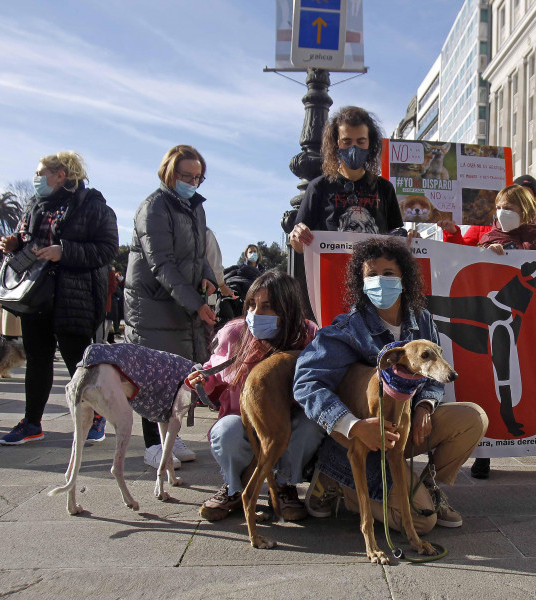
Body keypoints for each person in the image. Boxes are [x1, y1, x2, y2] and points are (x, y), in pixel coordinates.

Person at [293, 237, 488, 533]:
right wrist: (352, 425)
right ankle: (336, 480)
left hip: (403, 429)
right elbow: (306, 383)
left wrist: (425, 405)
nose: (379, 281)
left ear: (404, 279)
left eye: (388, 274)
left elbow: (434, 374)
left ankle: (428, 488)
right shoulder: (348, 329)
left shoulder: (422, 321)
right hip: (361, 442)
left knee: (472, 417)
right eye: (371, 275)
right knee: (423, 522)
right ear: (361, 282)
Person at [0, 151, 118, 445]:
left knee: (78, 361)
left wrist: (64, 251)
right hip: (35, 293)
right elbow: (27, 238)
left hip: (74, 296)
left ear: (61, 175)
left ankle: (97, 415)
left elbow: (106, 250)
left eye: (41, 173)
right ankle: (31, 422)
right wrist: (14, 243)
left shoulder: (94, 206)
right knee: (37, 359)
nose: (36, 179)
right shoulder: (34, 204)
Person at [187, 270, 319, 521]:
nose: (256, 314)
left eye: (267, 307)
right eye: (251, 305)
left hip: (288, 420)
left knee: (311, 425)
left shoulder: (308, 334)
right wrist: (200, 380)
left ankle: (283, 486)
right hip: (242, 419)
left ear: (288, 308)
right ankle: (235, 488)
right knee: (227, 432)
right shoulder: (234, 332)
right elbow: (214, 373)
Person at [464, 184, 536, 479]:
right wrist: (487, 254)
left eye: (510, 208)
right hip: (503, 323)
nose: (503, 213)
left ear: (525, 210)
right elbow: (477, 275)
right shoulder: (488, 238)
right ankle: (485, 452)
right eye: (500, 206)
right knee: (495, 379)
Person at [124, 144, 217, 469]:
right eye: (186, 176)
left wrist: (208, 279)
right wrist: (196, 306)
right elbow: (161, 263)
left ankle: (170, 435)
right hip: (151, 305)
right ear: (170, 172)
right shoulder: (154, 207)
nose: (192, 182)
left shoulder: (195, 208)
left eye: (197, 177)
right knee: (152, 377)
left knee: (178, 376)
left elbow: (197, 255)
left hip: (179, 304)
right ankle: (152, 443)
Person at [289, 106, 405, 254]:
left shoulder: (384, 188)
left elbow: (396, 238)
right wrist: (297, 236)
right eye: (347, 141)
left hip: (374, 275)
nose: (354, 148)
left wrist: (411, 239)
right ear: (336, 143)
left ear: (371, 143)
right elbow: (299, 245)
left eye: (361, 141)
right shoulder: (319, 187)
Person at [438, 175, 536, 247]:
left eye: (527, 197)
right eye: (517, 195)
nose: (522, 201)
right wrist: (452, 233)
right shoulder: (484, 225)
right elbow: (461, 253)